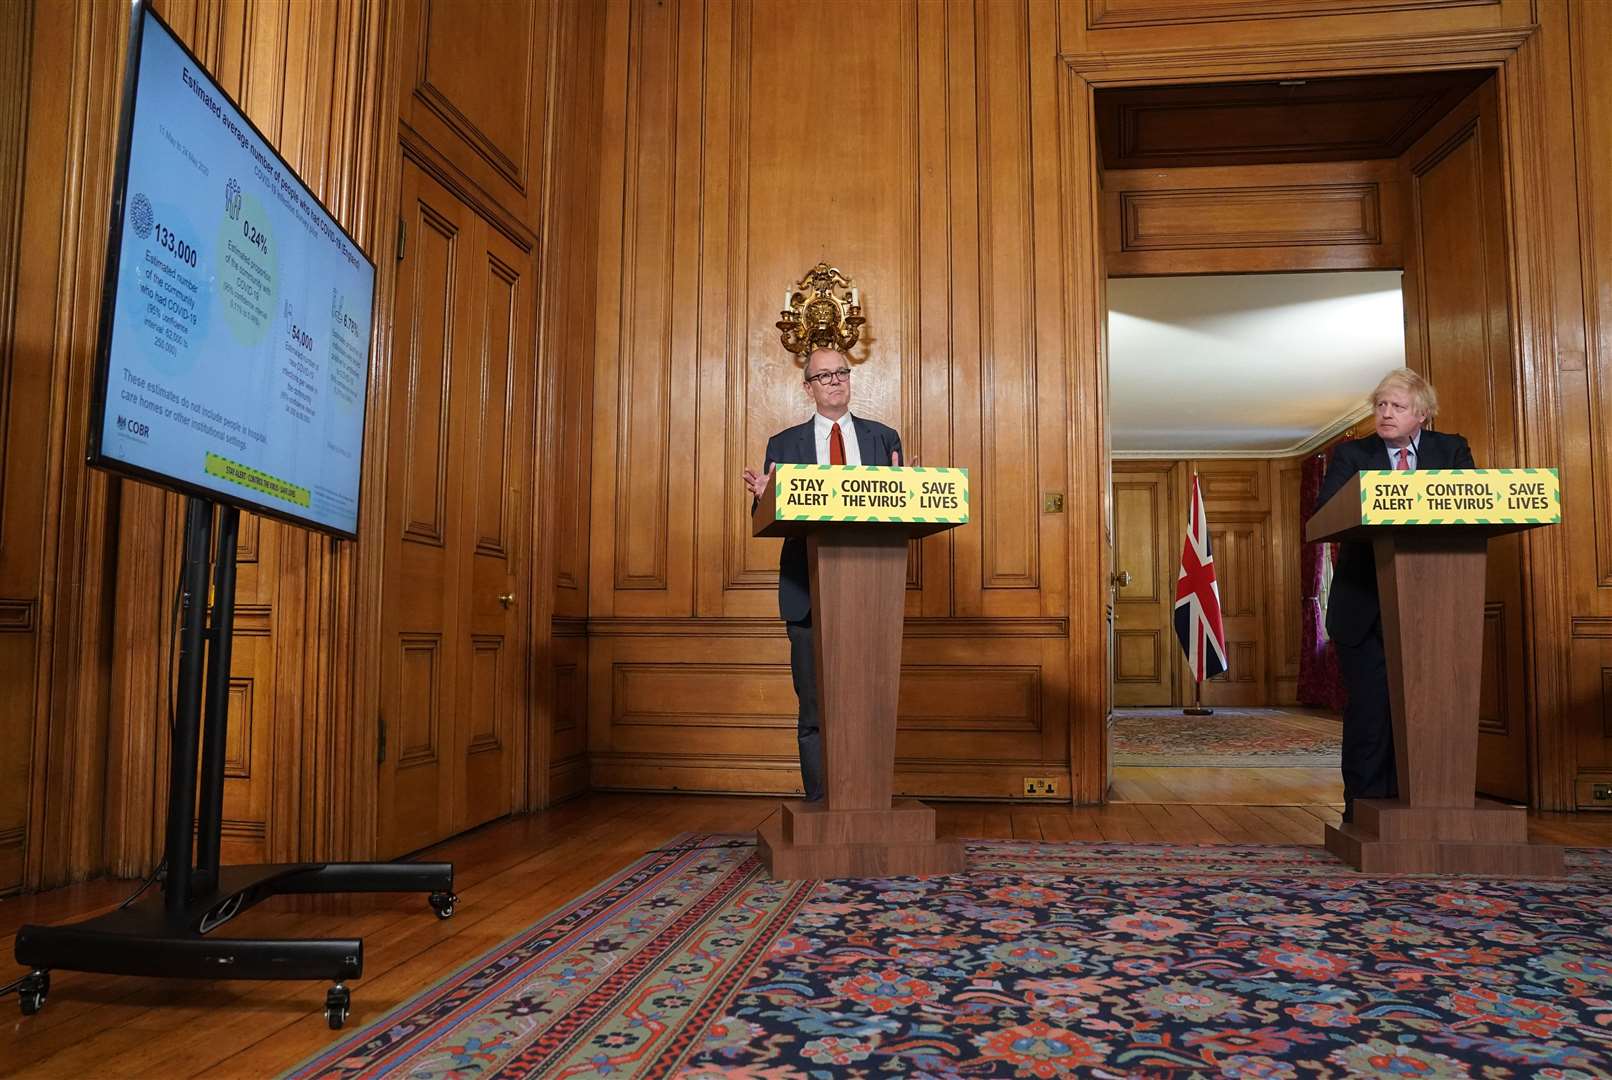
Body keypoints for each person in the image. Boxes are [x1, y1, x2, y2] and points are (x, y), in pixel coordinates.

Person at [742, 346, 905, 803]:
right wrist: (764, 499)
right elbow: (765, 519)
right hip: (807, 595)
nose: (835, 381)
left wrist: (906, 490)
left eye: (841, 373)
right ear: (808, 386)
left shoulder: (883, 438)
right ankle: (820, 803)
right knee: (814, 706)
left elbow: (898, 510)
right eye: (824, 376)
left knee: (868, 705)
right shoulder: (783, 444)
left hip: (871, 591)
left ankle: (870, 800)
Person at [1315, 367, 1474, 824]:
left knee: (1433, 711)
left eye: (1397, 406)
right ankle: (1363, 810)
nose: (1385, 414)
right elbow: (1326, 515)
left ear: (1422, 413)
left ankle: (1427, 807)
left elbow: (1472, 506)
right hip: (1363, 606)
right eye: (1380, 405)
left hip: (1436, 604)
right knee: (1369, 709)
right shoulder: (1351, 455)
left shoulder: (1451, 450)